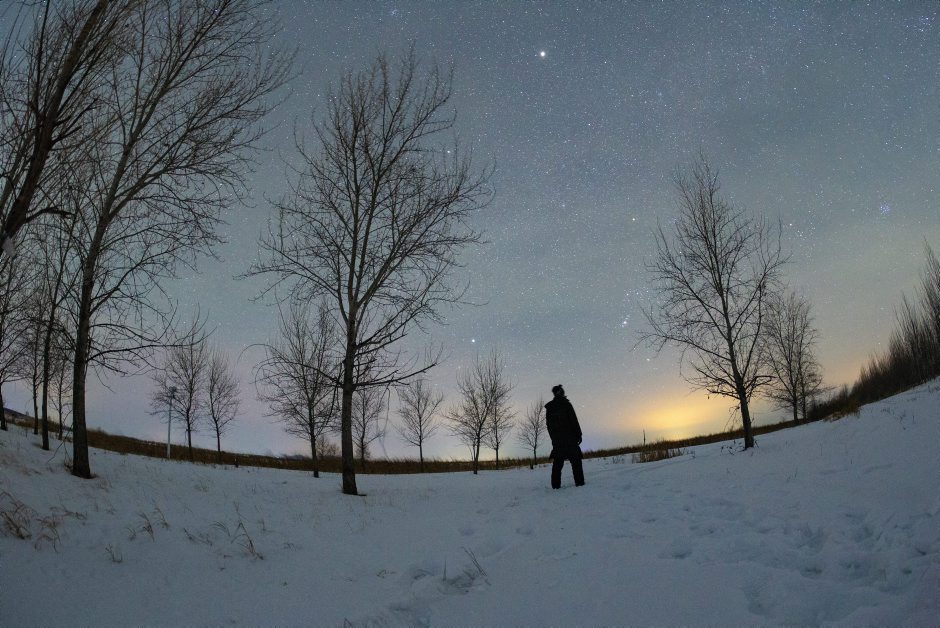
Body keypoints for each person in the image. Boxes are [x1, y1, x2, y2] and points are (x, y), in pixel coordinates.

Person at [545, 384, 584, 489]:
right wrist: (579, 434)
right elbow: (574, 421)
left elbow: (548, 426)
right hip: (569, 439)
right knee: (576, 461)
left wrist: (553, 439)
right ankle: (579, 483)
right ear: (561, 392)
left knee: (557, 463)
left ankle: (555, 486)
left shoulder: (550, 407)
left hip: (558, 441)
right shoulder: (566, 404)